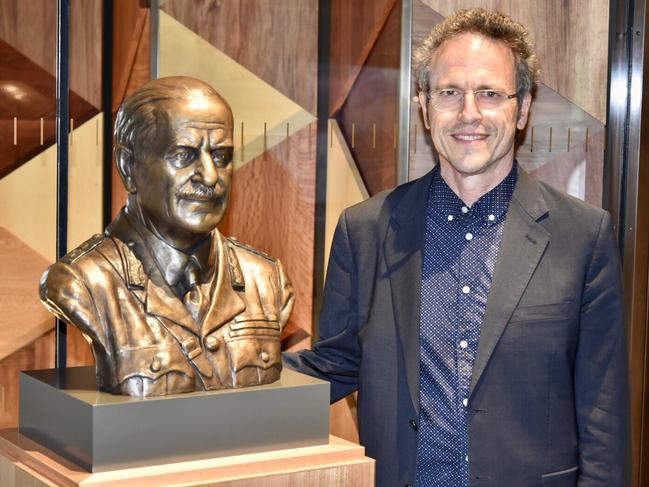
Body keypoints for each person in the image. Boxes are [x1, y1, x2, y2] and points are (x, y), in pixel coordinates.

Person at [283, 9, 628, 487]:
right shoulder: (364, 231)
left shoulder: (582, 237)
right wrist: (225, 381)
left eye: (490, 93)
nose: (469, 114)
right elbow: (333, 365)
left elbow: (602, 414)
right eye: (449, 93)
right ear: (424, 106)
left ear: (523, 107)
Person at [40, 77, 294, 397]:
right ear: (128, 166)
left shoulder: (267, 279)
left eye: (221, 156)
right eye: (183, 155)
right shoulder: (82, 283)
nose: (211, 176)